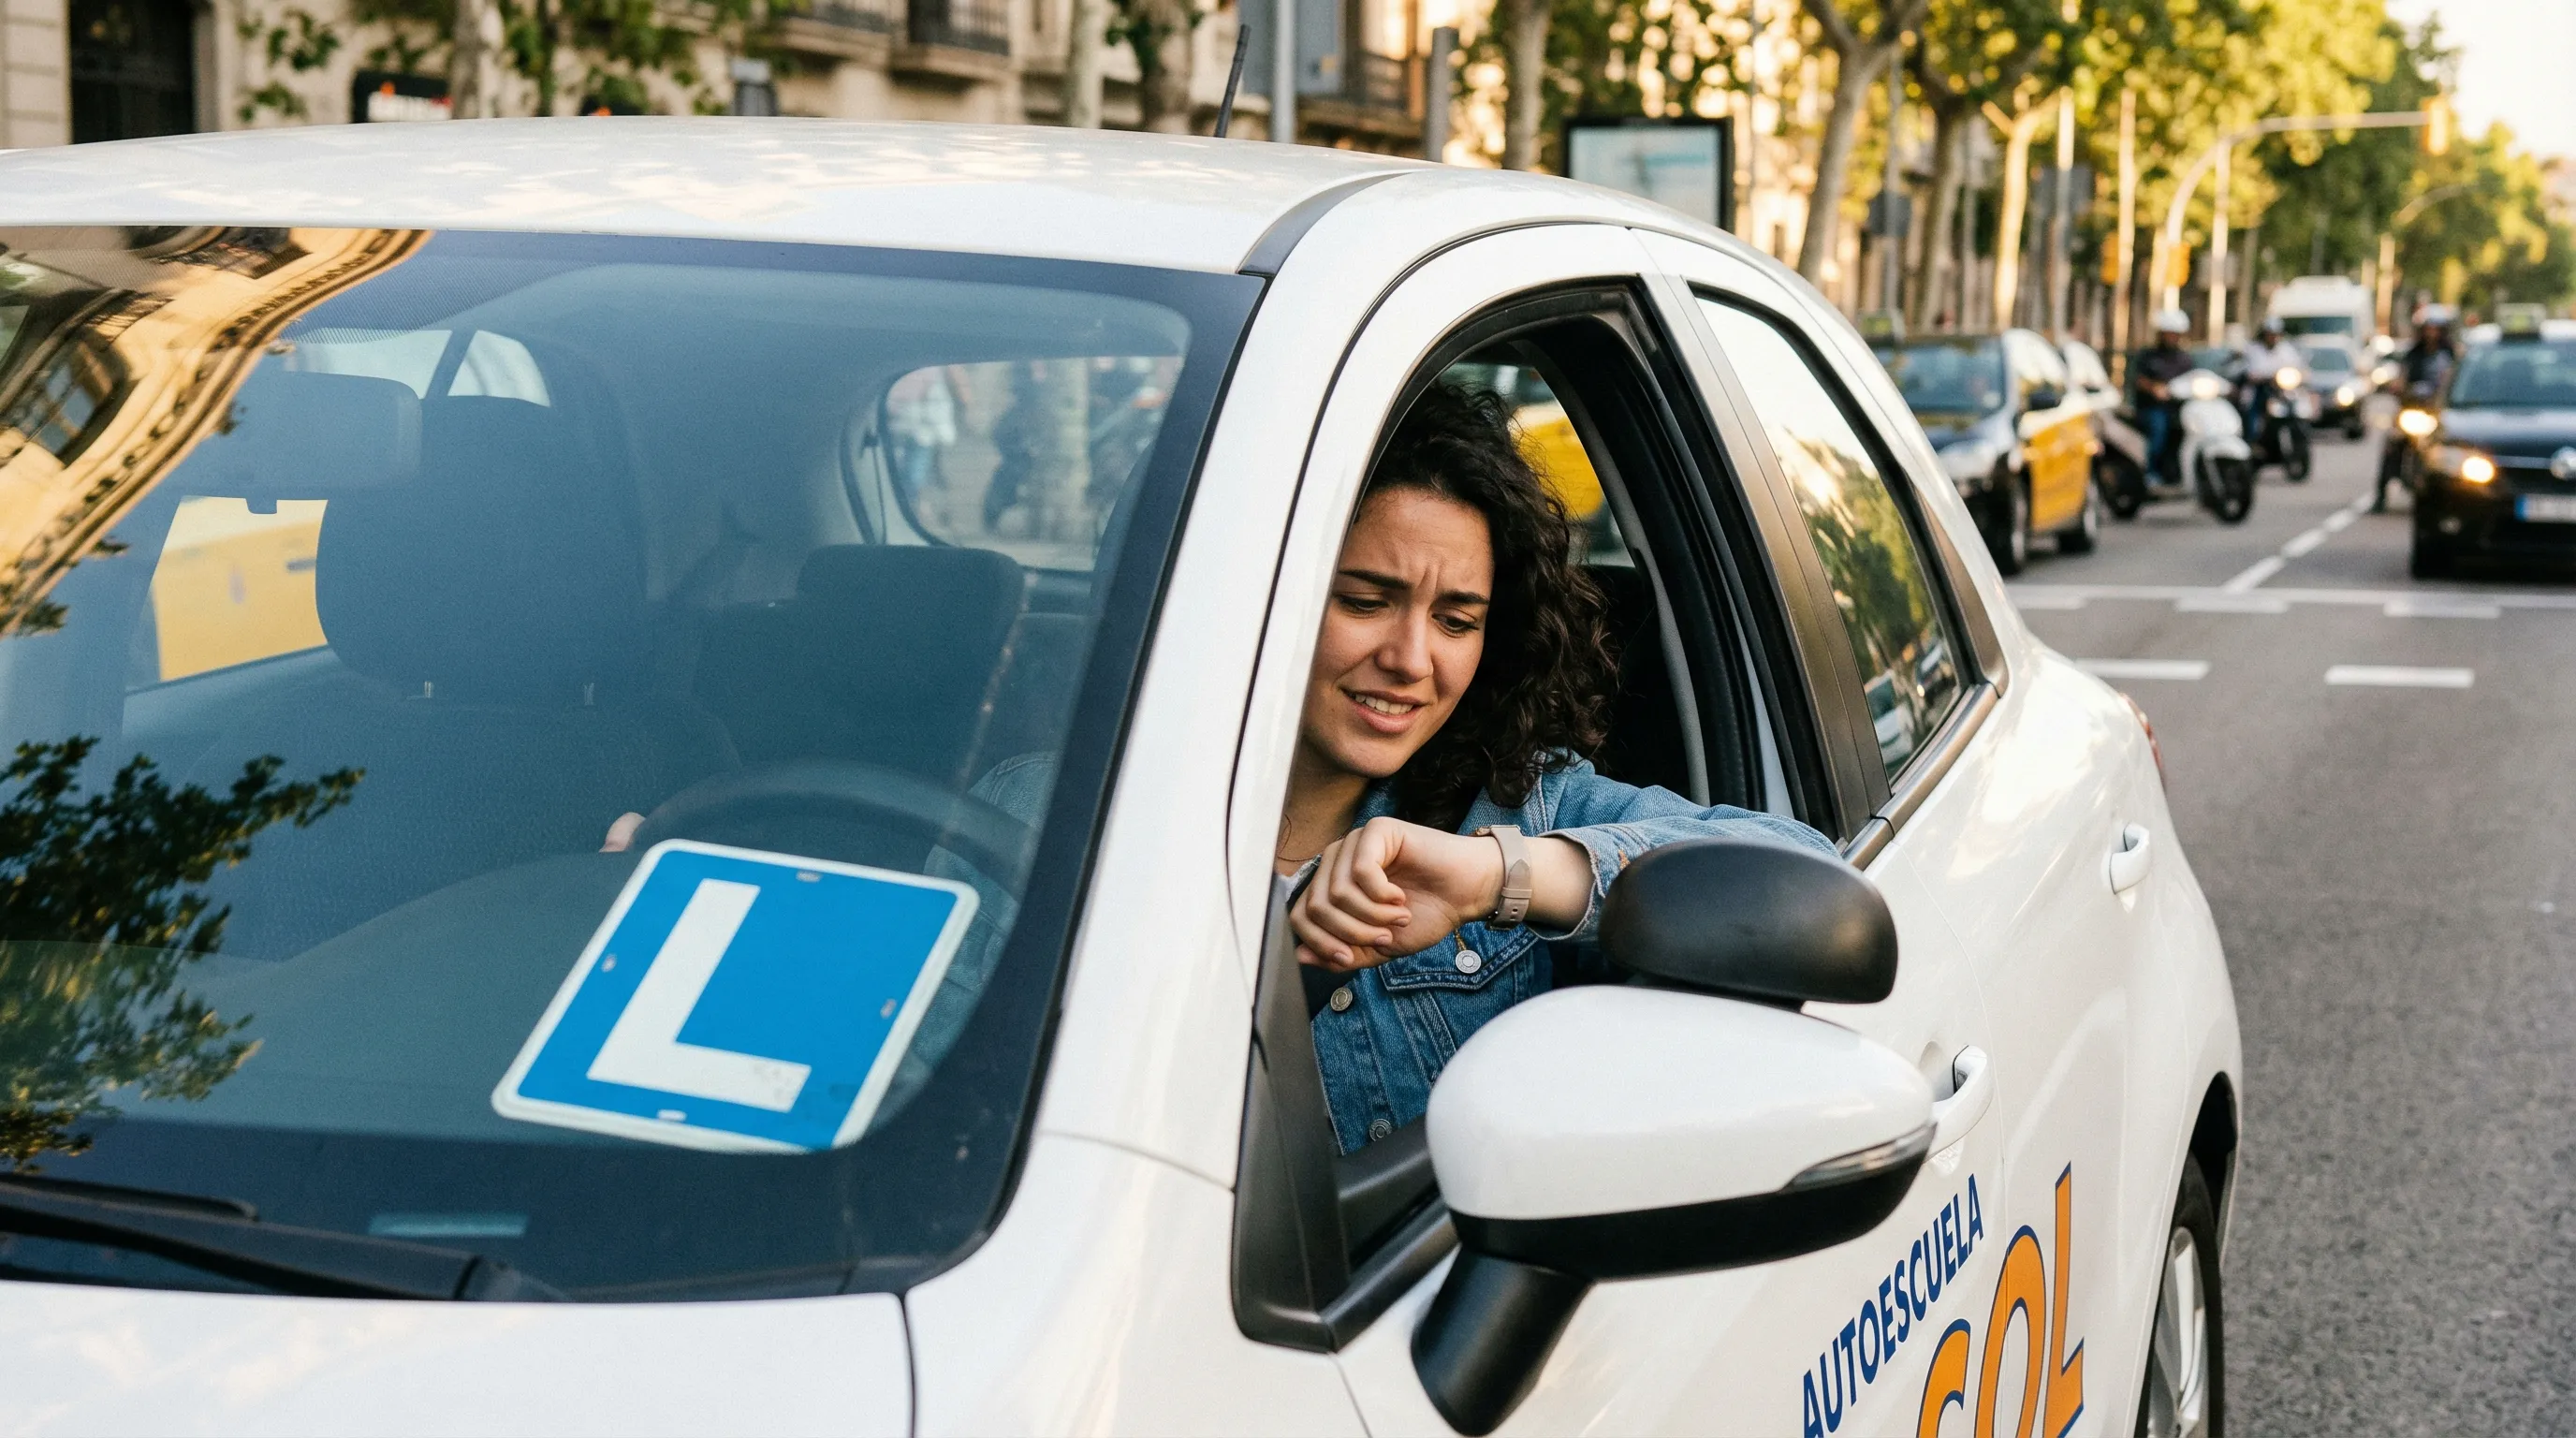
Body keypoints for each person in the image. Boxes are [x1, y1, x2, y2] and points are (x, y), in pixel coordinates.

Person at [1279, 380, 1836, 1152]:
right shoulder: (1070, 822)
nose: (1411, 661)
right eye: (1365, 602)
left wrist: (1491, 878)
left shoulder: (1511, 805)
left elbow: (1805, 876)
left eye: (1455, 621)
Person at [2376, 305, 2460, 512]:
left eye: (2436, 329)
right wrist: (2396, 386)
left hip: (2438, 412)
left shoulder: (2452, 355)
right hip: (2412, 409)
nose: (2431, 333)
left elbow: (2456, 380)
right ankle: (2380, 496)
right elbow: (2401, 377)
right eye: (2428, 329)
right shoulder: (2412, 354)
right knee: (2392, 443)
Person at [2130, 310, 2197, 482]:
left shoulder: (2185, 358)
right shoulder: (2148, 355)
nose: (2173, 337)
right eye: (2170, 333)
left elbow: (2193, 378)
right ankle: (2150, 472)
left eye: (2177, 334)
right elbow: (2138, 379)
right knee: (2159, 430)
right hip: (2153, 407)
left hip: (2179, 406)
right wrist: (2154, 388)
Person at [2239, 320, 2303, 435]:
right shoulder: (2253, 350)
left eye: (2276, 334)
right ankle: (2253, 438)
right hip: (2260, 389)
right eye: (2270, 334)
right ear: (2264, 334)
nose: (2273, 337)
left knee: (2298, 407)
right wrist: (2265, 378)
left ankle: (2298, 433)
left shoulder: (2286, 350)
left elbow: (2298, 367)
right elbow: (2249, 372)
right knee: (2252, 410)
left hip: (2282, 390)